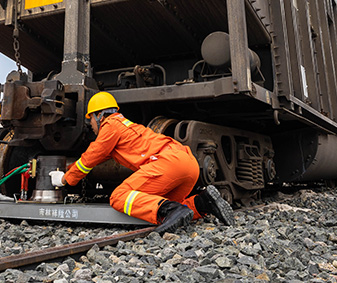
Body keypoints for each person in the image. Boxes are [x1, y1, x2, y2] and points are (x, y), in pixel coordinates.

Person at [50, 92, 234, 234]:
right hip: (187, 163)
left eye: (90, 120)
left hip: (168, 163)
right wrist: (69, 169)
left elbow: (88, 159)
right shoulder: (126, 127)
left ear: (99, 115)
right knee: (162, 205)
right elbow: (96, 158)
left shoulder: (110, 126)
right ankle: (204, 203)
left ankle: (172, 210)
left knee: (118, 197)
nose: (91, 125)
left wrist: (65, 179)